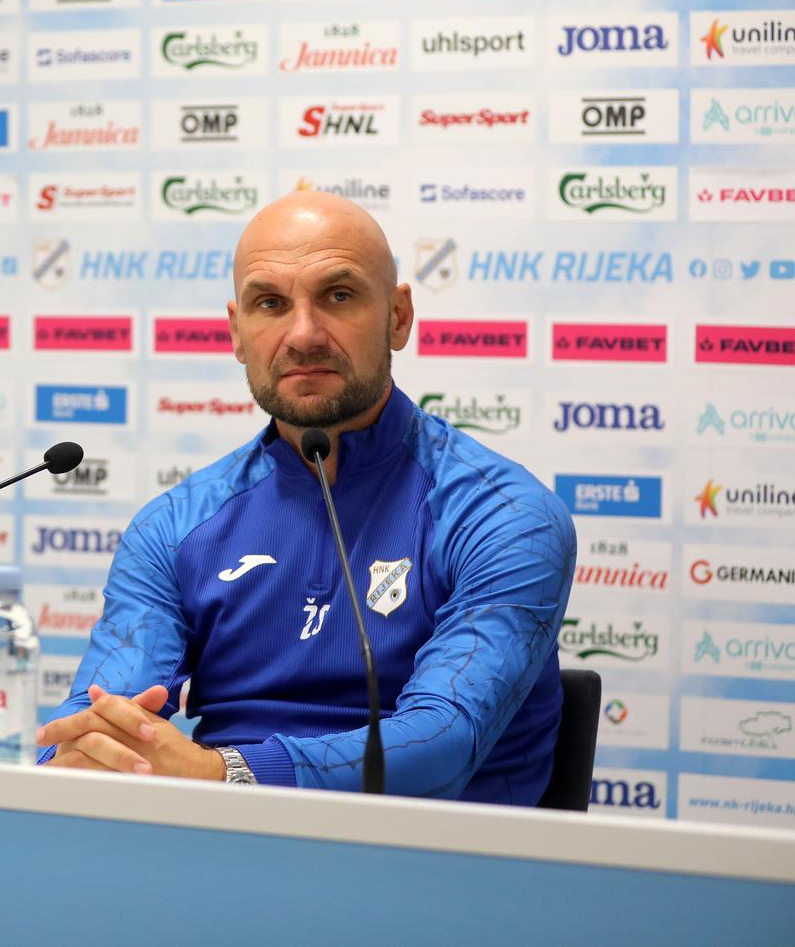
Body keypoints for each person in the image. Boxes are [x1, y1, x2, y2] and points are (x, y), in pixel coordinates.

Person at [37, 190, 574, 804]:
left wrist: (226, 775)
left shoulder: (504, 517)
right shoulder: (175, 527)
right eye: (269, 304)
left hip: (436, 874)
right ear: (237, 333)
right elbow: (101, 712)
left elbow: (443, 740)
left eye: (338, 296)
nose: (303, 334)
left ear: (398, 317)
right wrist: (77, 755)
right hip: (221, 858)